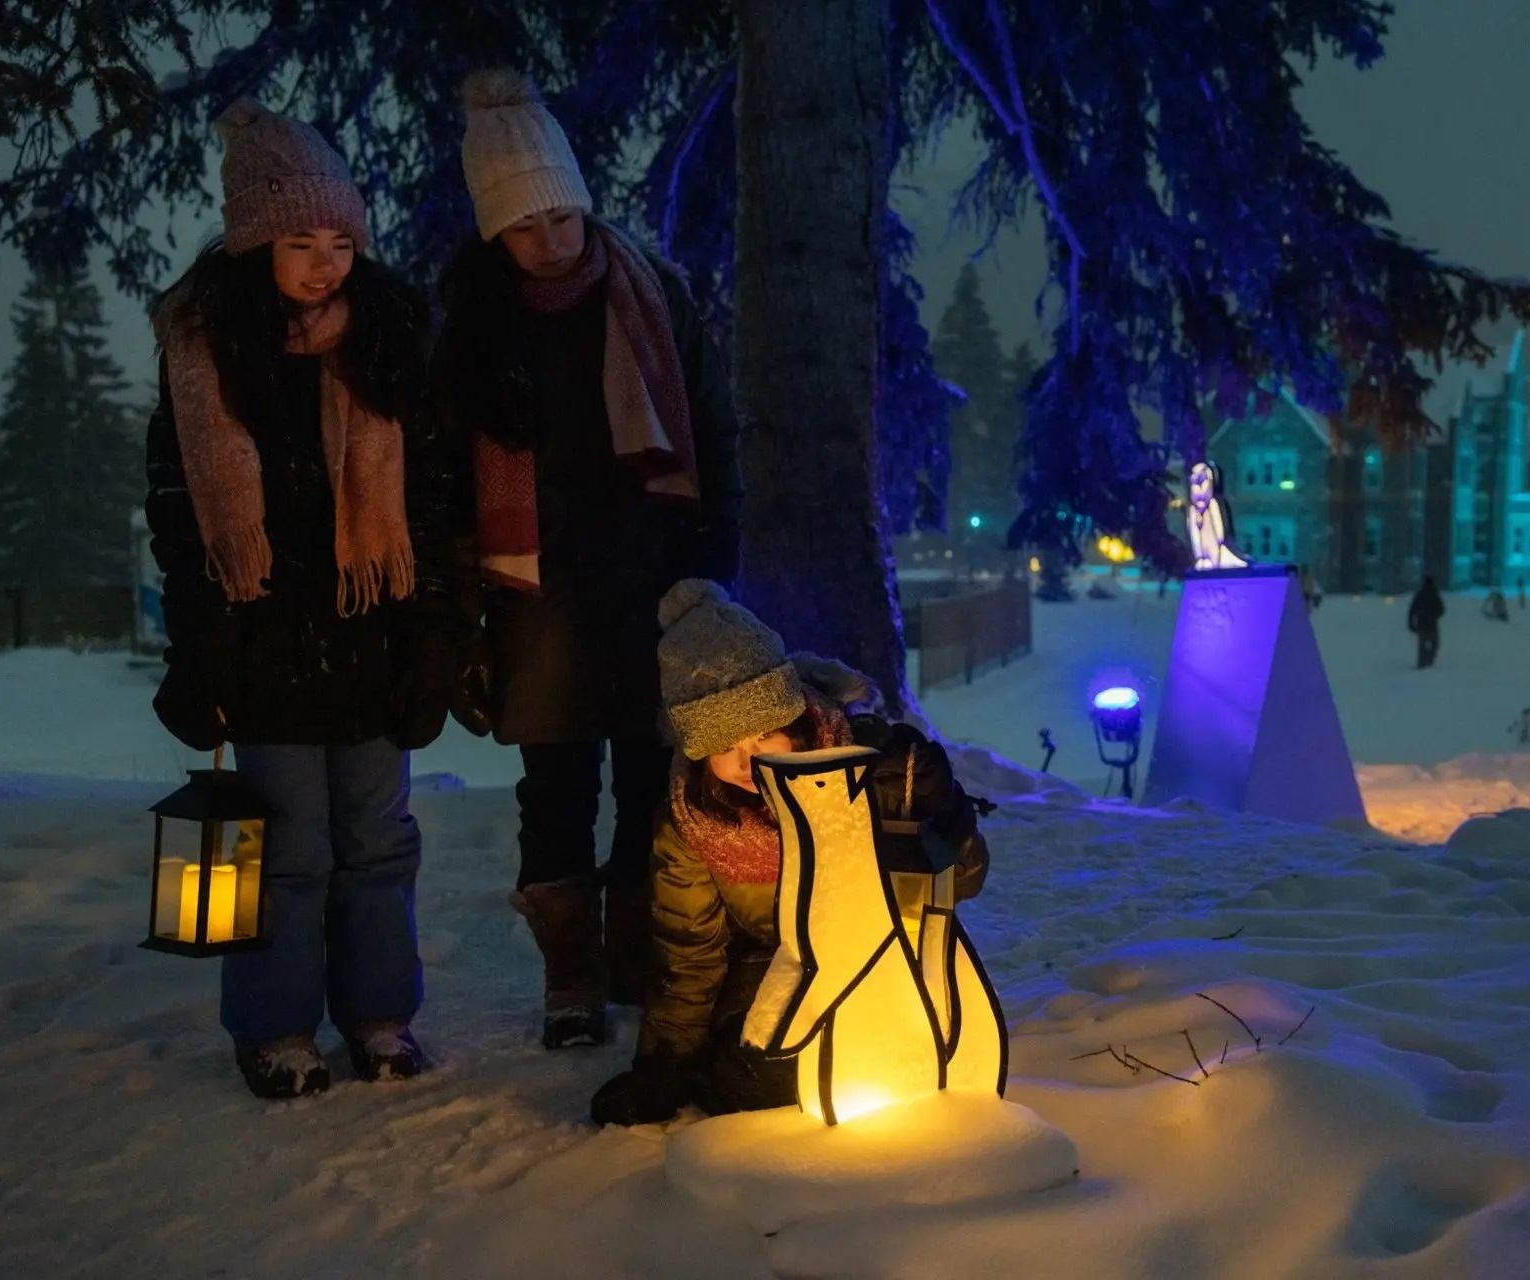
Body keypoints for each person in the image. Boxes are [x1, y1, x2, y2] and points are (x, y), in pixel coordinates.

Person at [146, 100, 454, 1099]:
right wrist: (202, 662)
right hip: (266, 644)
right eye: (299, 242)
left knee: (376, 842)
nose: (326, 263)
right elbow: (184, 528)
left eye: (340, 241)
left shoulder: (389, 342)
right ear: (252, 245)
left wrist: (431, 647)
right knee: (286, 850)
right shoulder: (207, 358)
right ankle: (276, 1027)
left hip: (371, 637)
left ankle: (379, 1013)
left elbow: (434, 503)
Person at [433, 70, 742, 1051]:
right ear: (497, 231)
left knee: (655, 781)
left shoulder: (653, 296)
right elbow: (444, 468)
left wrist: (708, 558)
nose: (555, 239)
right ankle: (569, 976)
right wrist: (466, 607)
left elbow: (711, 427)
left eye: (565, 215)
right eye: (530, 225)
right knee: (554, 788)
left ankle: (641, 957)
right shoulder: (478, 330)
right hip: (538, 594)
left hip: (653, 580)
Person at [589, 581, 991, 1126]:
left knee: (874, 1063)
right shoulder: (694, 823)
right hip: (773, 965)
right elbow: (689, 956)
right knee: (762, 1080)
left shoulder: (872, 766)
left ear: (796, 720)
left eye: (762, 735)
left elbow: (960, 883)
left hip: (890, 959)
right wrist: (665, 1064)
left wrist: (944, 814)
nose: (746, 761)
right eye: (724, 748)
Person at [1407, 575, 1445, 670]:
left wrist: (1411, 623)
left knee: (1422, 645)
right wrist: (1435, 615)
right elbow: (1442, 609)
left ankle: (1421, 664)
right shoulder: (1435, 594)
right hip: (1432, 625)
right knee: (1435, 644)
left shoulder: (1420, 594)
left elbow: (1412, 610)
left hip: (1421, 624)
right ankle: (1429, 661)